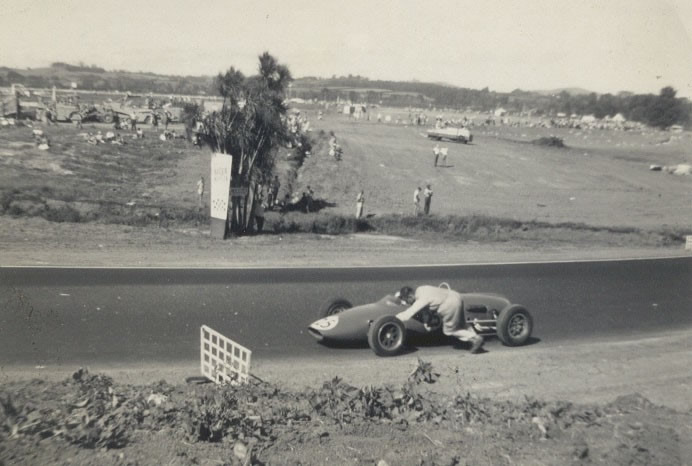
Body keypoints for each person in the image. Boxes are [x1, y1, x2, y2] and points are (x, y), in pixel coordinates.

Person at [394, 285, 484, 354]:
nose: (407, 303)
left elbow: (408, 314)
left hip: (450, 304)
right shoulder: (421, 289)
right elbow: (428, 307)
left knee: (450, 330)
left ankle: (475, 338)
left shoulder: (421, 300)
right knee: (461, 323)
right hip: (456, 296)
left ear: (410, 296)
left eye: (406, 300)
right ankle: (475, 338)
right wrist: (426, 322)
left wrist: (394, 318)